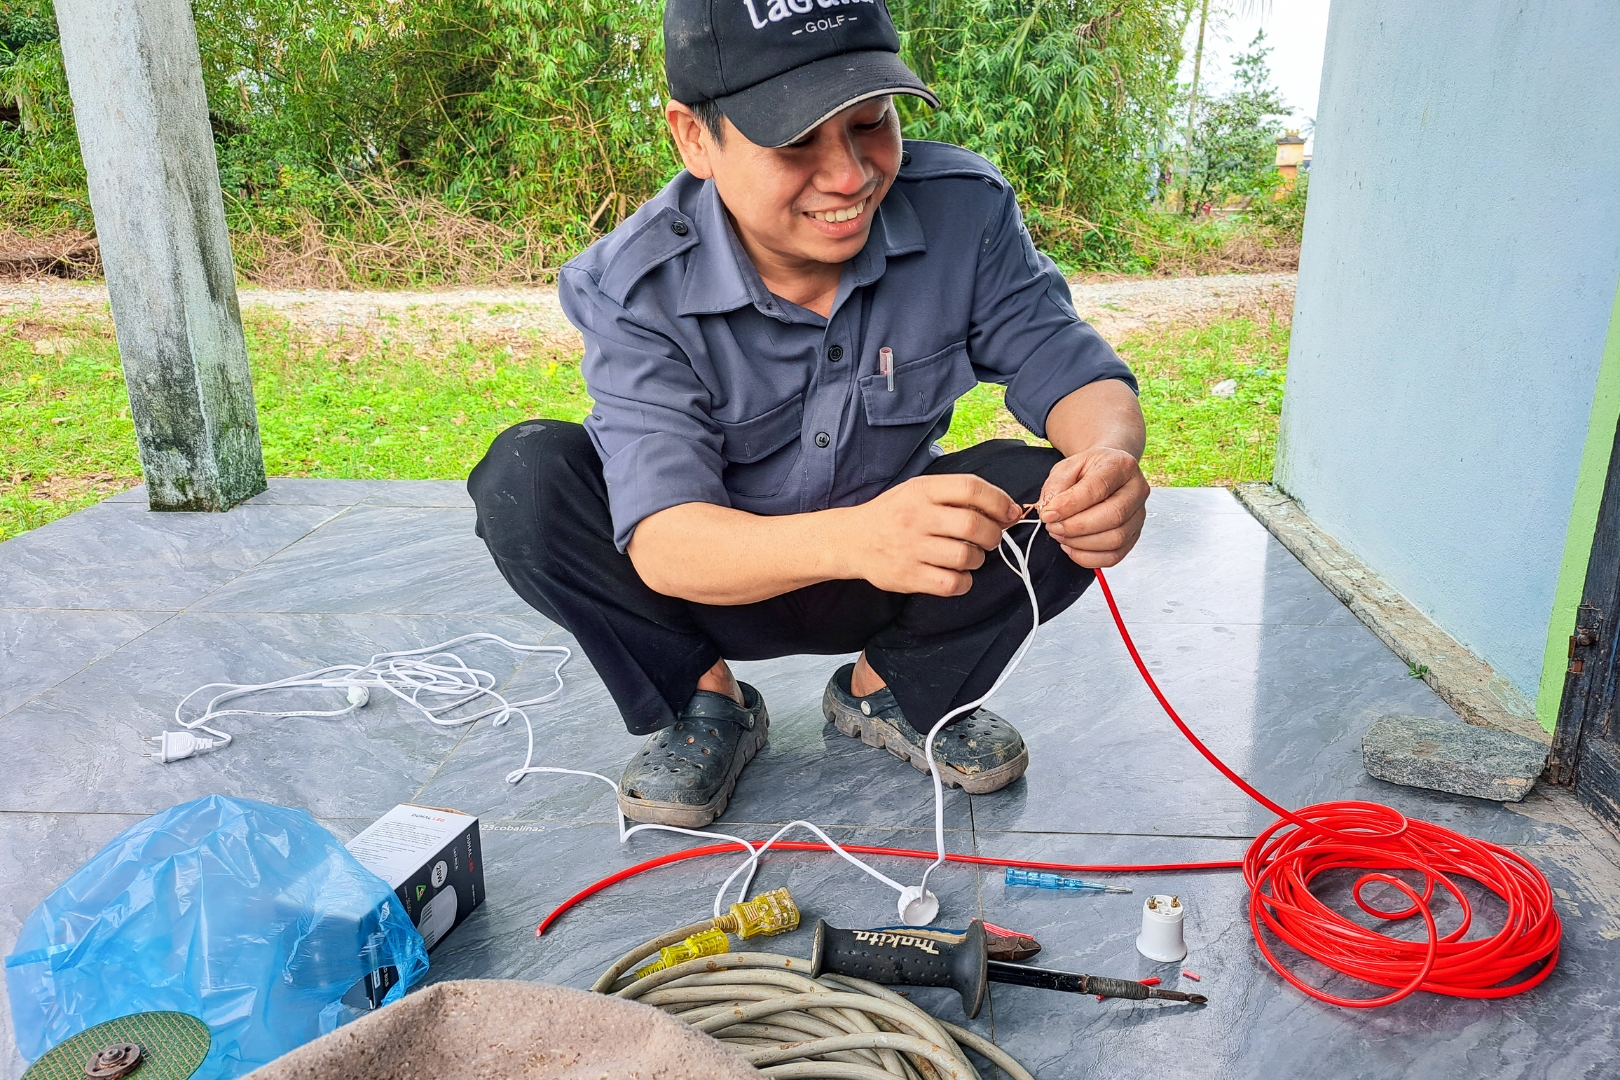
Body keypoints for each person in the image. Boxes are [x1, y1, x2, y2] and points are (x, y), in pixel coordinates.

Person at [468, 0, 1150, 828]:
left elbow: (1071, 366)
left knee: (1047, 487)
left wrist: (1107, 462)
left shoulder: (962, 210)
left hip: (895, 577)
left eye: (871, 122)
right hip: (711, 584)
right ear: (693, 138)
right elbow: (668, 544)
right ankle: (702, 700)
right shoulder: (632, 284)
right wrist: (860, 535)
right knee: (526, 479)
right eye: (795, 142)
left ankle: (894, 688)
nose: (850, 175)